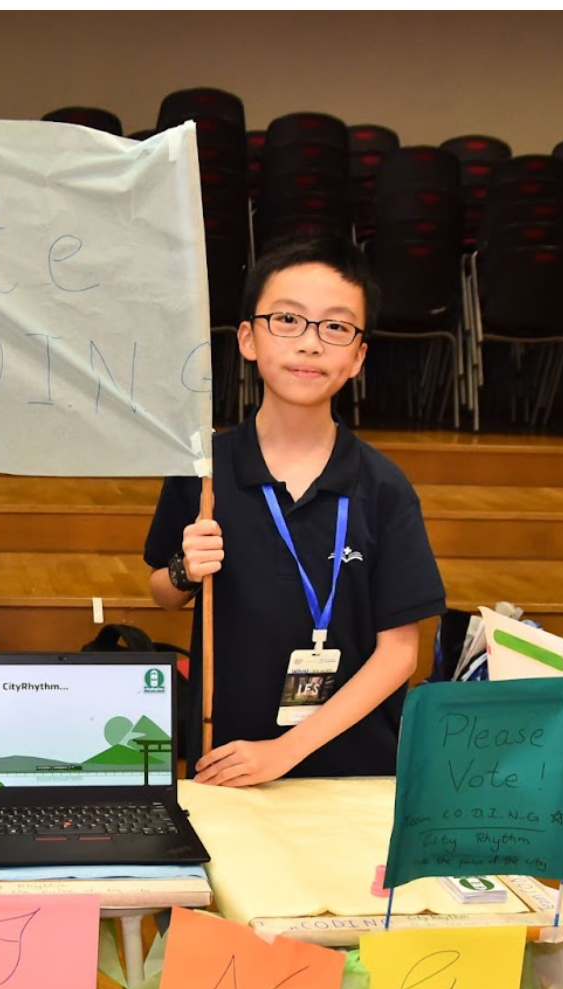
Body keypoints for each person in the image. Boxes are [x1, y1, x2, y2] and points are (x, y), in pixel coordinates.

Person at [144, 237, 445, 785]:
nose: (310, 344)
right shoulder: (205, 468)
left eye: (335, 327)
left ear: (357, 357)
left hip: (355, 771)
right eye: (288, 319)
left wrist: (284, 752)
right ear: (248, 339)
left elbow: (400, 654)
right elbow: (162, 593)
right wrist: (185, 570)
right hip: (225, 758)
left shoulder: (384, 487)